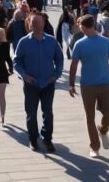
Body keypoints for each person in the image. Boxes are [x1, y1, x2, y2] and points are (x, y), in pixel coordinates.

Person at [68, 14, 109, 159]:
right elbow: (73, 65)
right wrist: (71, 84)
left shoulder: (105, 42)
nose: (79, 28)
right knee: (90, 117)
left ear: (84, 27)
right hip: (87, 85)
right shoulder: (80, 44)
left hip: (104, 83)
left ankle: (103, 130)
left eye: (80, 26)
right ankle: (94, 146)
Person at [13, 13, 64, 153]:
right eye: (32, 23)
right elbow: (16, 62)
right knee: (31, 113)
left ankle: (47, 138)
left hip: (48, 83)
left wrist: (56, 74)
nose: (35, 25)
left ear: (43, 23)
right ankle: (33, 139)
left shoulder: (52, 41)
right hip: (31, 84)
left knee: (48, 112)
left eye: (38, 22)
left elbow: (59, 59)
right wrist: (24, 76)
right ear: (29, 25)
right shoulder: (24, 42)